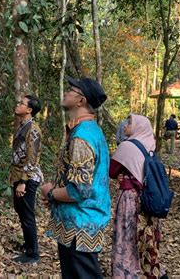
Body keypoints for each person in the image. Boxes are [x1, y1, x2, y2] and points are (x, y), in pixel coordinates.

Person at [41, 77, 111, 279]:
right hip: (79, 222)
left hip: (80, 224)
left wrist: (50, 192)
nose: (66, 92)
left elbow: (79, 190)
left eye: (71, 90)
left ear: (81, 100)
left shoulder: (82, 137)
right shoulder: (89, 131)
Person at [110, 114, 167, 278]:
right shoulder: (150, 145)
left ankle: (126, 271)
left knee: (127, 238)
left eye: (130, 122)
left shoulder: (127, 146)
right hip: (148, 199)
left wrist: (122, 174)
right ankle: (151, 270)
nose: (126, 125)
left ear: (137, 127)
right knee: (145, 239)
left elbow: (112, 170)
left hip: (130, 198)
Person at [11, 95, 43, 264]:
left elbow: (33, 158)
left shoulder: (33, 129)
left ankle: (32, 253)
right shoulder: (23, 126)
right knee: (22, 212)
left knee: (27, 214)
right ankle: (28, 246)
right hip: (19, 176)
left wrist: (23, 181)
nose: (18, 105)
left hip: (28, 178)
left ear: (29, 110)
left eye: (21, 103)